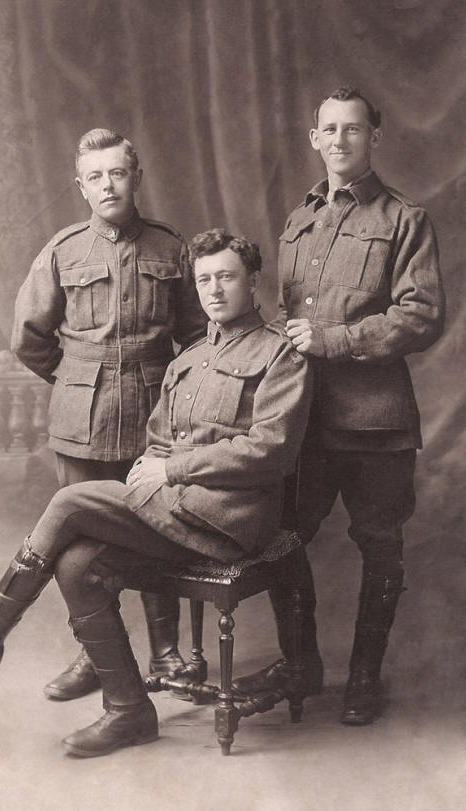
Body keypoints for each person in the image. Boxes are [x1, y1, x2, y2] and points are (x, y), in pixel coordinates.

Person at [0, 228, 312, 758]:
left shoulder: (281, 355)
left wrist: (172, 471)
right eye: (203, 280)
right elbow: (156, 439)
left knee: (70, 501)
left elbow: (272, 451)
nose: (214, 290)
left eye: (226, 277)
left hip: (231, 522)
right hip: (178, 514)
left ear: (253, 281)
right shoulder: (188, 360)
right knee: (77, 564)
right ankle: (128, 710)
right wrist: (156, 464)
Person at [233, 87, 445, 725]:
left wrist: (335, 340)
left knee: (380, 548)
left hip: (375, 423)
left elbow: (423, 315)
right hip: (302, 420)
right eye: (329, 129)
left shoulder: (405, 219)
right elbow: (284, 319)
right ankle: (302, 662)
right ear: (314, 138)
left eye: (354, 129)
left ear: (374, 138)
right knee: (280, 539)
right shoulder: (299, 220)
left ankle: (363, 678)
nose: (340, 140)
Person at [11, 128, 207, 701]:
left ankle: (166, 651)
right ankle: (93, 656)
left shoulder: (173, 250)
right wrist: (76, 379)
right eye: (95, 177)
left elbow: (198, 339)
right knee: (80, 548)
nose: (107, 185)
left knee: (156, 529)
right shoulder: (63, 250)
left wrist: (178, 400)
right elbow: (29, 338)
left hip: (155, 419)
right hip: (82, 423)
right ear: (80, 186)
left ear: (137, 178)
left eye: (117, 173)